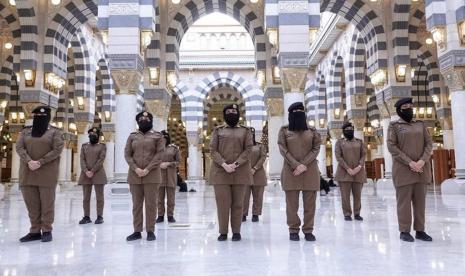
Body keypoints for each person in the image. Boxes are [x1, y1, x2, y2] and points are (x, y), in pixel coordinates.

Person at [387, 97, 433, 242]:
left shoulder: (420, 124)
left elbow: (429, 143)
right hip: (403, 170)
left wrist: (421, 161)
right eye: (405, 106)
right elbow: (392, 147)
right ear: (399, 110)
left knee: (420, 202)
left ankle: (420, 230)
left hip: (421, 169)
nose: (409, 108)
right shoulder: (394, 126)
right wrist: (410, 162)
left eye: (411, 106)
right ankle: (404, 231)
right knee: (404, 202)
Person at [16, 106, 64, 242]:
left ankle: (47, 230)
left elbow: (57, 149)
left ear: (48, 118)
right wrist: (29, 161)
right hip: (27, 172)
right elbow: (19, 147)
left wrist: (40, 162)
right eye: (37, 116)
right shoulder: (25, 132)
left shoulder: (55, 132)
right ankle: (35, 230)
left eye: (42, 116)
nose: (39, 118)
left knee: (47, 203)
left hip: (47, 173)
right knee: (31, 204)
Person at [209, 104, 253, 241]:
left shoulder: (245, 131)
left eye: (234, 111)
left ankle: (236, 232)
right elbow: (213, 150)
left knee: (238, 204)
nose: (231, 113)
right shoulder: (218, 130)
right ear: (224, 114)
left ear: (238, 113)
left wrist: (236, 164)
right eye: (228, 111)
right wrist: (224, 164)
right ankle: (223, 232)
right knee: (222, 204)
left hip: (240, 172)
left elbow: (248, 149)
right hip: (220, 173)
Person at [278, 102, 321, 242]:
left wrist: (303, 165)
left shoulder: (312, 131)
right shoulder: (284, 131)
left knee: (310, 205)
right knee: (291, 205)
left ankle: (308, 230)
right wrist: (296, 165)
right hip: (291, 172)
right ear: (291, 114)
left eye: (300, 111)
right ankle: (293, 230)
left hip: (309, 171)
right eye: (295, 111)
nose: (298, 113)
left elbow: (316, 148)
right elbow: (283, 149)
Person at [124, 111, 165, 241]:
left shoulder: (158, 136)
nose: (144, 120)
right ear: (138, 121)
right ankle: (137, 231)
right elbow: (127, 154)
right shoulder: (132, 136)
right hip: (135, 175)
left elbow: (159, 155)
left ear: (151, 121)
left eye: (147, 118)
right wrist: (135, 168)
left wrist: (147, 169)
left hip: (152, 175)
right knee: (136, 205)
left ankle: (150, 230)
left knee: (151, 204)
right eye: (141, 118)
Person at [334, 122, 366, 221]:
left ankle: (357, 213)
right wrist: (348, 168)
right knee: (345, 196)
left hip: (358, 172)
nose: (349, 130)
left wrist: (359, 166)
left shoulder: (359, 142)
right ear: (343, 131)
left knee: (358, 195)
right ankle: (347, 214)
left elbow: (363, 155)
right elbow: (338, 157)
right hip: (344, 173)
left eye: (351, 128)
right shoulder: (339, 142)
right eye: (347, 129)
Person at [78, 127, 107, 225]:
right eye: (90, 135)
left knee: (99, 197)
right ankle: (86, 217)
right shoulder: (84, 146)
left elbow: (101, 159)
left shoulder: (102, 146)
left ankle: (99, 216)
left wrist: (92, 171)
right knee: (86, 197)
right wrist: (86, 171)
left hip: (98, 173)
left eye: (94, 135)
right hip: (85, 174)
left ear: (98, 136)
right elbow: (82, 160)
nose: (92, 136)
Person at [242, 127, 267, 222]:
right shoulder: (242, 148)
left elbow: (263, 157)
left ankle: (255, 214)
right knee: (244, 196)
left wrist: (255, 168)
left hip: (258, 174)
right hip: (245, 174)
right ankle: (243, 214)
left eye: (251, 134)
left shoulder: (260, 146)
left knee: (258, 196)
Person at [156, 130, 180, 223]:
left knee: (171, 198)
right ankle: (160, 215)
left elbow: (178, 161)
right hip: (159, 175)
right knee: (159, 198)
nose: (164, 139)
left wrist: (169, 163)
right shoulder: (156, 148)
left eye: (166, 137)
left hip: (171, 176)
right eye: (162, 137)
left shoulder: (174, 148)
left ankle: (170, 215)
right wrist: (159, 164)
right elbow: (152, 160)